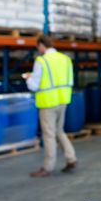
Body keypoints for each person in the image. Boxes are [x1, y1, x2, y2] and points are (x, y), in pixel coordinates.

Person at [23, 35, 77, 177]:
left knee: (49, 134)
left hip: (48, 103)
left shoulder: (41, 61)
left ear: (41, 45)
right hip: (63, 100)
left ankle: (47, 167)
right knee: (59, 131)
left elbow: (34, 85)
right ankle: (71, 158)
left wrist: (29, 78)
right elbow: (70, 81)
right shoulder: (65, 59)